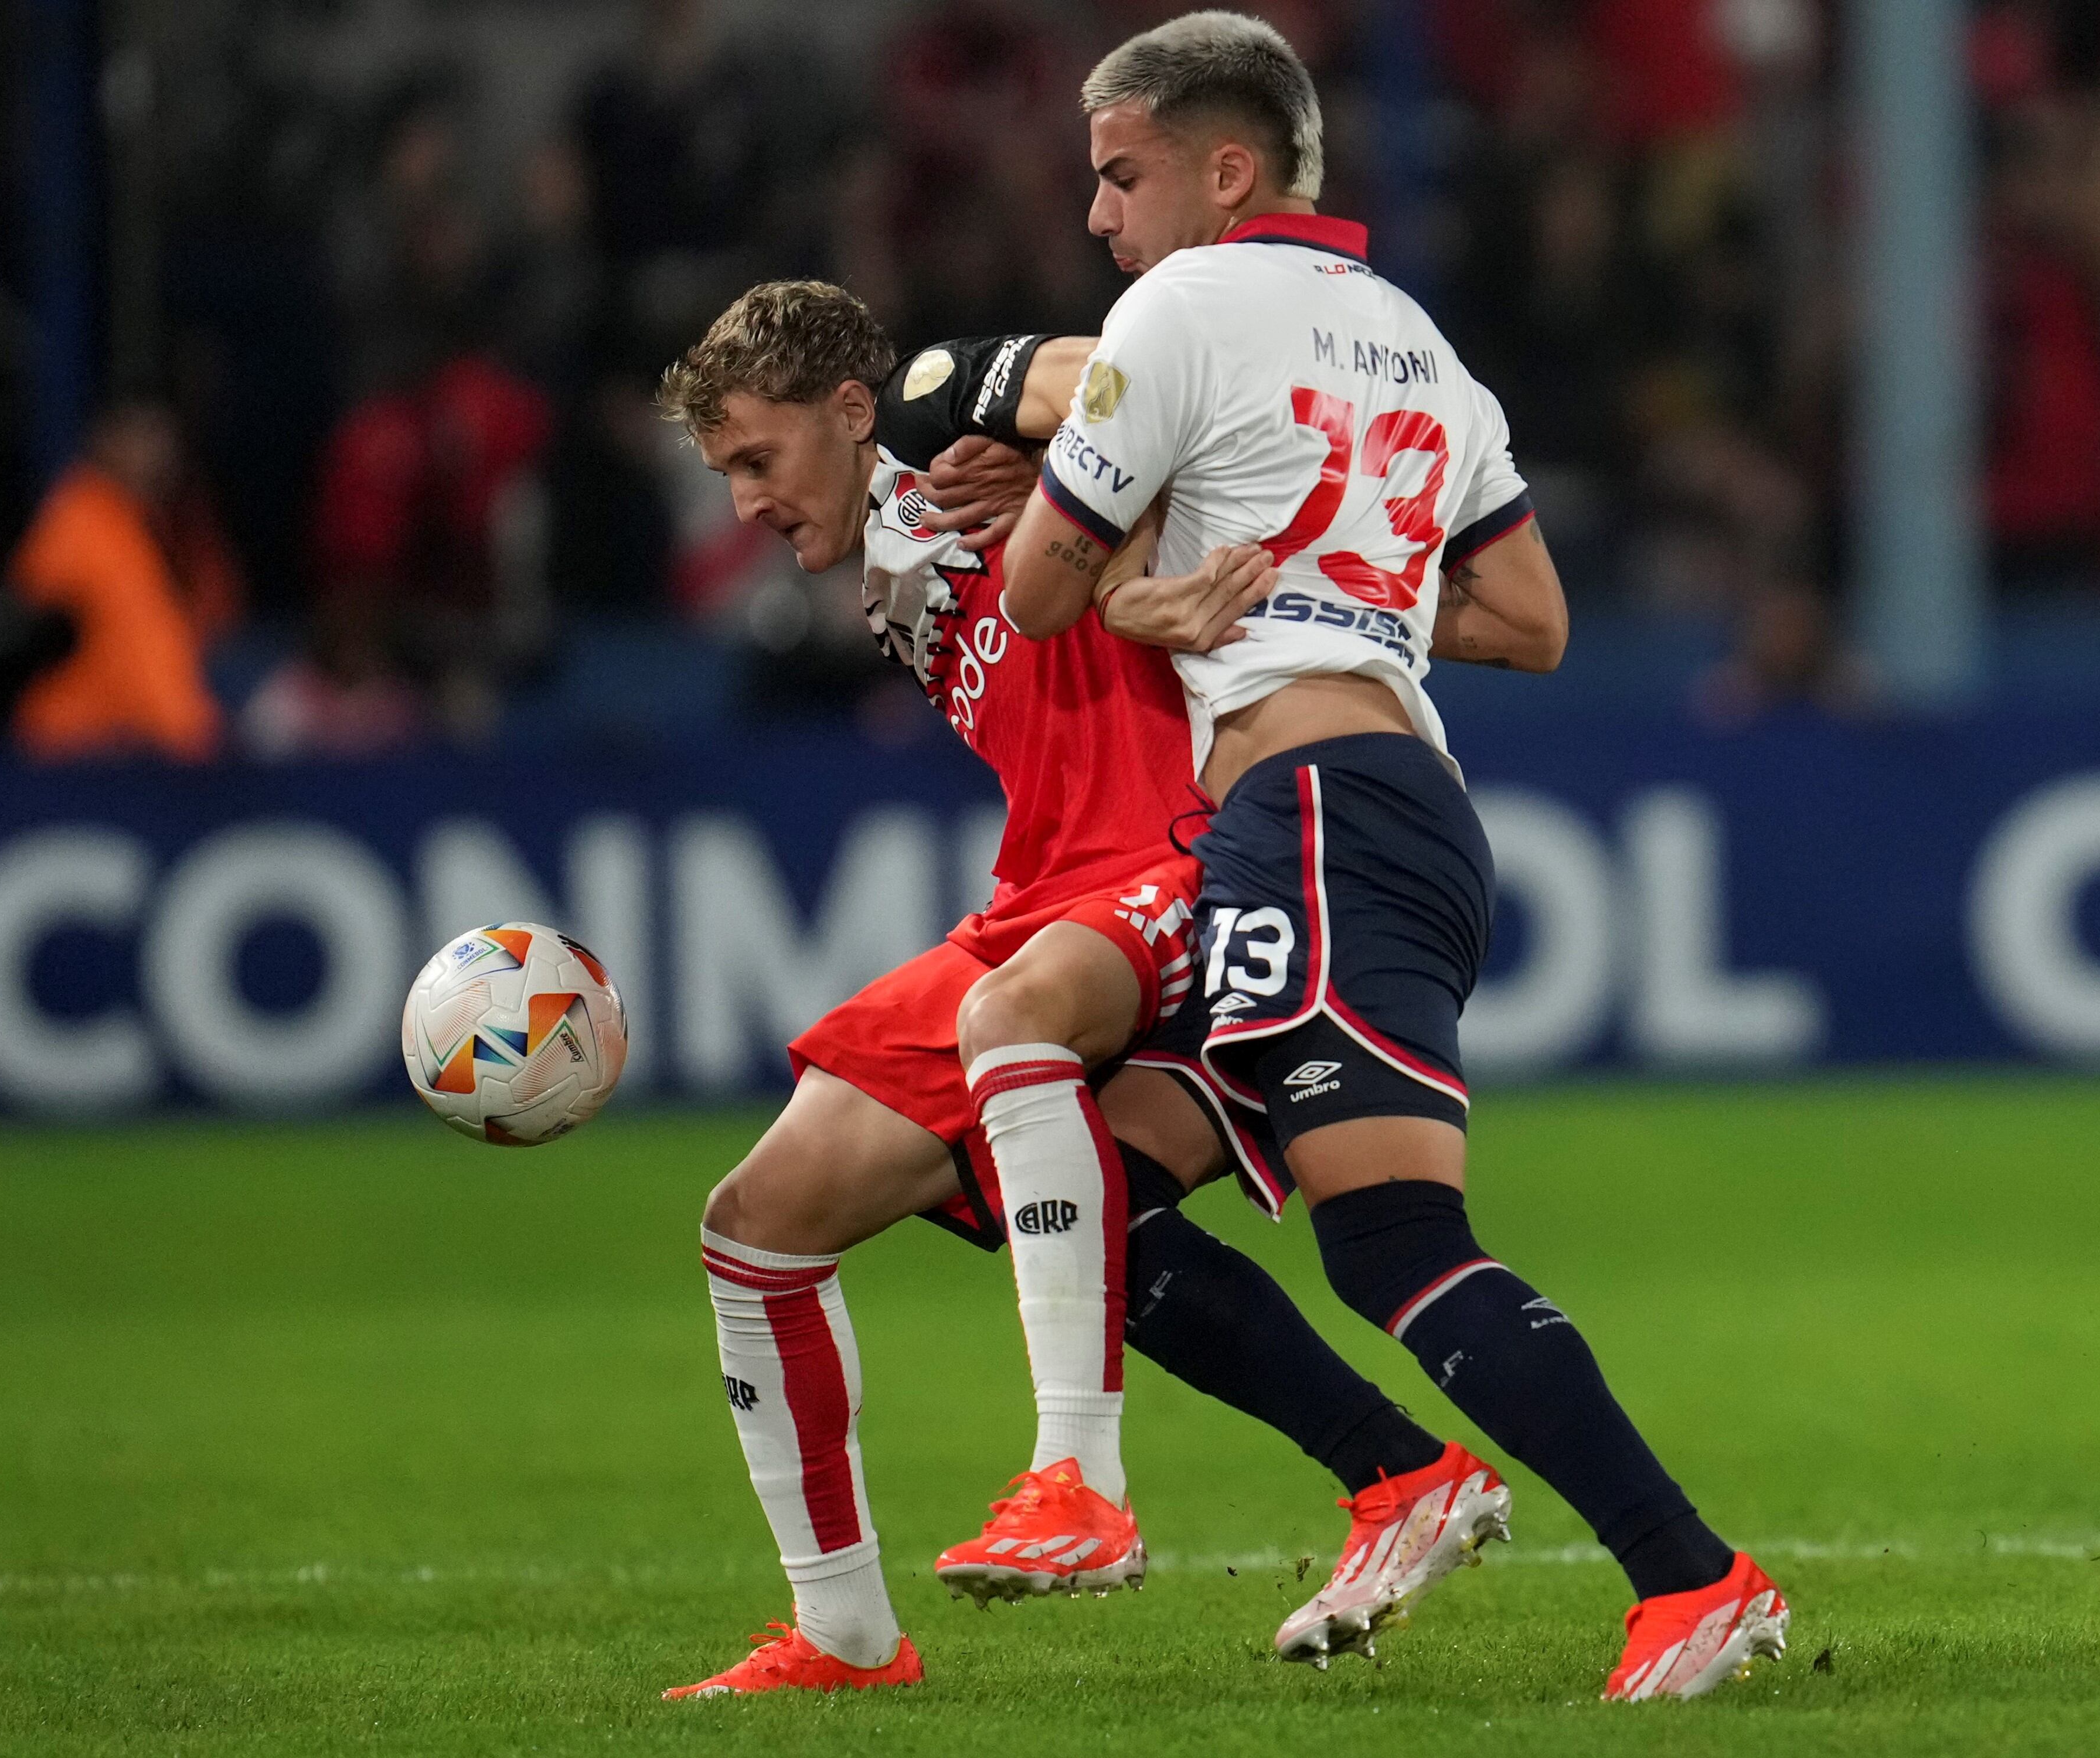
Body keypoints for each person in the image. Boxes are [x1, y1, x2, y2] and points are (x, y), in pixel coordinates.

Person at [998, 11, 1788, 1701]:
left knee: (1392, 1244)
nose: (1098, 218)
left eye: (1118, 175)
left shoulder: (1180, 308)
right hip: (1365, 809)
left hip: (1314, 818)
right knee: (1081, 1193)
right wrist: (1330, 585)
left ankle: (1691, 1577)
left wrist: (1152, 562)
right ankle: (1398, 1474)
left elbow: (1036, 596)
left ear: (1227, 168)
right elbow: (1531, 618)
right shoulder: (1416, 343)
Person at [650, 280, 1489, 1695]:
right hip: (1044, 890)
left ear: (853, 413)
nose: (741, 504)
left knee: (1018, 1029)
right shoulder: (884, 544)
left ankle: (1076, 1484)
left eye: (756, 458)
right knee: (758, 1223)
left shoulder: (950, 439)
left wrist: (1046, 450)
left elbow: (1136, 371)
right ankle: (846, 1634)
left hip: (1191, 849)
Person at [9, 401, 240, 764]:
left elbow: (206, 622)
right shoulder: (77, 522)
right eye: (142, 437)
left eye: (162, 439)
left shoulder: (159, 525)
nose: (157, 453)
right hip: (77, 750)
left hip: (145, 752)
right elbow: (38, 626)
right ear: (106, 442)